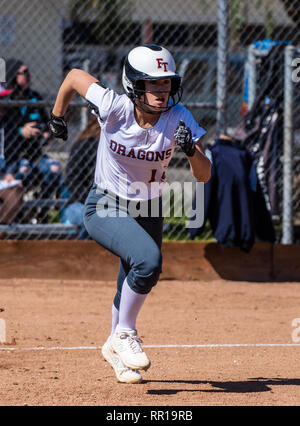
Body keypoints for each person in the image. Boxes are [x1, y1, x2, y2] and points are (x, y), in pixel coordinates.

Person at [48, 44, 211, 384]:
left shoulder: (178, 116)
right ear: (133, 85)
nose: (162, 91)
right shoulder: (115, 107)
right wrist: (57, 115)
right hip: (105, 204)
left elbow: (204, 174)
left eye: (166, 83)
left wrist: (190, 149)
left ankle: (113, 347)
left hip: (149, 208)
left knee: (133, 277)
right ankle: (125, 334)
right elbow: (75, 77)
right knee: (148, 261)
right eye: (153, 84)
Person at [0, 58, 63, 201]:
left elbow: (47, 121)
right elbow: (5, 129)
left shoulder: (34, 97)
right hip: (14, 154)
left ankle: (40, 208)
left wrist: (46, 132)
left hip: (34, 152)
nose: (29, 75)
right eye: (24, 72)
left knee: (54, 168)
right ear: (13, 75)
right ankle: (20, 212)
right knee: (24, 170)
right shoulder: (6, 99)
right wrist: (21, 131)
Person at [60, 114, 99, 239]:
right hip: (78, 204)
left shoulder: (117, 149)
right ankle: (82, 256)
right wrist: (94, 201)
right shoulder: (84, 145)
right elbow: (72, 179)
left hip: (109, 205)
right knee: (96, 220)